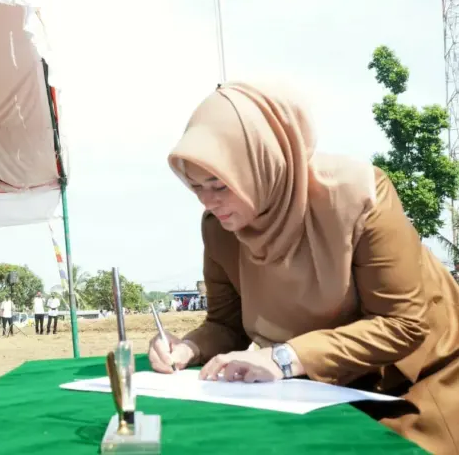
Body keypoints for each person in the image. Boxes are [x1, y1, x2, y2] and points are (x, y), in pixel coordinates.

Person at [148, 80, 459, 454]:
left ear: (263, 165)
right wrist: (188, 347)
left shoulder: (360, 196)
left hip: (415, 387)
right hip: (310, 391)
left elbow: (404, 324)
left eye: (219, 184)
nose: (208, 201)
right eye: (195, 186)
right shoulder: (220, 230)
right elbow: (225, 325)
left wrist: (284, 357)